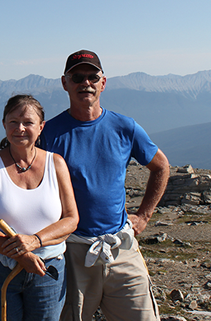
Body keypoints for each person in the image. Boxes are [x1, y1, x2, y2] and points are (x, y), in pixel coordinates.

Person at [41, 50, 170, 321]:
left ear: (103, 82)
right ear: (65, 83)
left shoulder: (125, 127)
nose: (85, 83)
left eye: (92, 76)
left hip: (120, 247)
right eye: (77, 77)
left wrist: (144, 216)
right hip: (71, 251)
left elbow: (161, 166)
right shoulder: (48, 133)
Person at [0, 94, 79, 321]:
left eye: (28, 122)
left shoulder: (55, 163)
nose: (20, 128)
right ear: (4, 125)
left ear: (41, 127)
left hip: (47, 268)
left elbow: (71, 219)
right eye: (13, 122)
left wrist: (34, 241)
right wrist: (22, 255)